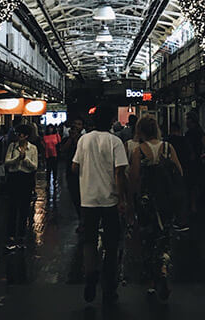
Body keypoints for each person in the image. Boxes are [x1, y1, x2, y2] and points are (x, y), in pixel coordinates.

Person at [72, 103, 129, 305]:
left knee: (89, 240)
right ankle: (109, 286)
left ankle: (90, 275)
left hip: (88, 199)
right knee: (112, 244)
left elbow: (74, 166)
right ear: (112, 121)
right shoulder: (115, 142)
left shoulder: (83, 140)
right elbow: (120, 172)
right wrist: (122, 199)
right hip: (110, 200)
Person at [129, 114, 184, 301]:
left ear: (140, 131)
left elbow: (134, 178)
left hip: (146, 203)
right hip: (166, 202)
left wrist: (131, 202)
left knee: (147, 240)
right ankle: (163, 270)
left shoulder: (139, 151)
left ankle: (151, 282)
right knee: (165, 238)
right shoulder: (168, 148)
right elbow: (179, 172)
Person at [4, 123, 38, 250]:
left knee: (24, 208)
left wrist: (25, 159)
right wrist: (18, 158)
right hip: (14, 178)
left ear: (27, 136)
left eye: (22, 135)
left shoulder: (33, 148)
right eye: (18, 134)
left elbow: (34, 166)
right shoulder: (12, 147)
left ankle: (21, 236)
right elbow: (7, 162)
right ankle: (11, 235)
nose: (19, 137)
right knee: (12, 207)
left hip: (26, 179)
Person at [59, 116, 84, 224]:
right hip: (70, 171)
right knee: (74, 196)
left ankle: (84, 220)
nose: (76, 126)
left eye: (79, 124)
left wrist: (77, 138)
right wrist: (70, 138)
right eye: (75, 124)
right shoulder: (67, 138)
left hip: (83, 171)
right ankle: (80, 218)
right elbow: (63, 150)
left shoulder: (84, 139)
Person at [43, 123, 61, 196]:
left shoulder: (56, 136)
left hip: (55, 155)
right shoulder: (45, 137)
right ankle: (47, 183)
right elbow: (43, 146)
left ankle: (54, 181)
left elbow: (59, 144)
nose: (50, 129)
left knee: (55, 169)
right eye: (49, 128)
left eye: (51, 128)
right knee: (48, 169)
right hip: (48, 155)